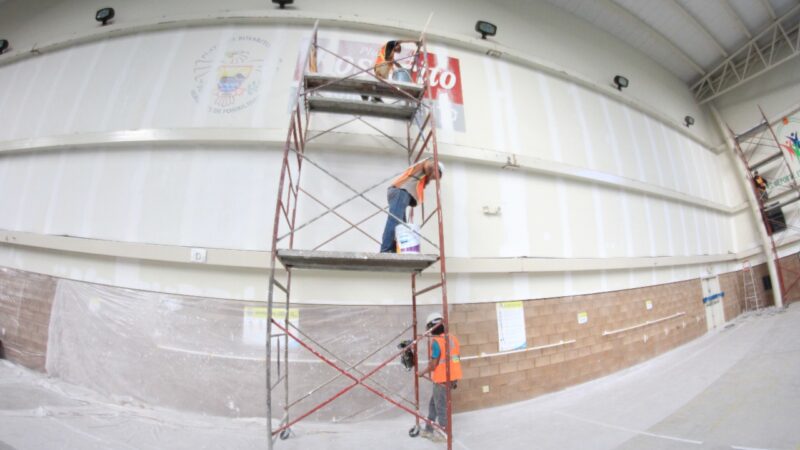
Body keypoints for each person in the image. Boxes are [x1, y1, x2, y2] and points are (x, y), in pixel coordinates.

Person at [379, 158, 443, 253]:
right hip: (400, 192)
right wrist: (432, 169)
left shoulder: (422, 175)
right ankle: (386, 250)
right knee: (394, 221)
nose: (434, 178)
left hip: (401, 193)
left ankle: (393, 249)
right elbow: (428, 165)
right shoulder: (427, 164)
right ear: (436, 168)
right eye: (436, 175)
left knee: (401, 226)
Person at [417, 311, 462, 442]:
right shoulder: (452, 338)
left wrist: (422, 373)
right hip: (452, 378)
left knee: (441, 408)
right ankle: (429, 429)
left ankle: (446, 435)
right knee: (433, 404)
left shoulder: (436, 342)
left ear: (433, 327)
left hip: (442, 380)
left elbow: (433, 364)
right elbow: (456, 358)